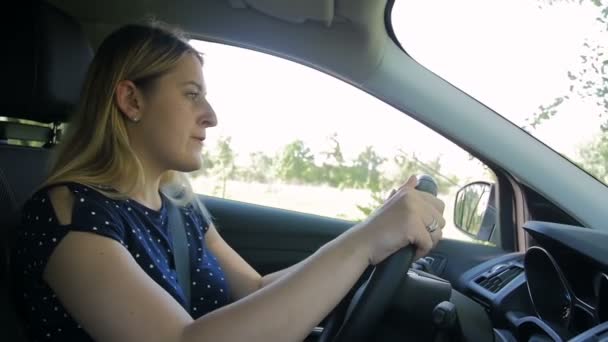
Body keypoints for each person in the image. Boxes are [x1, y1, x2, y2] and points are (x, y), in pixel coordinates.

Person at [11, 21, 445, 342]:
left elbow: (256, 289)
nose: (211, 116)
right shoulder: (67, 217)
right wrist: (363, 243)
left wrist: (369, 239)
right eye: (191, 94)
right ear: (131, 99)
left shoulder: (178, 204)